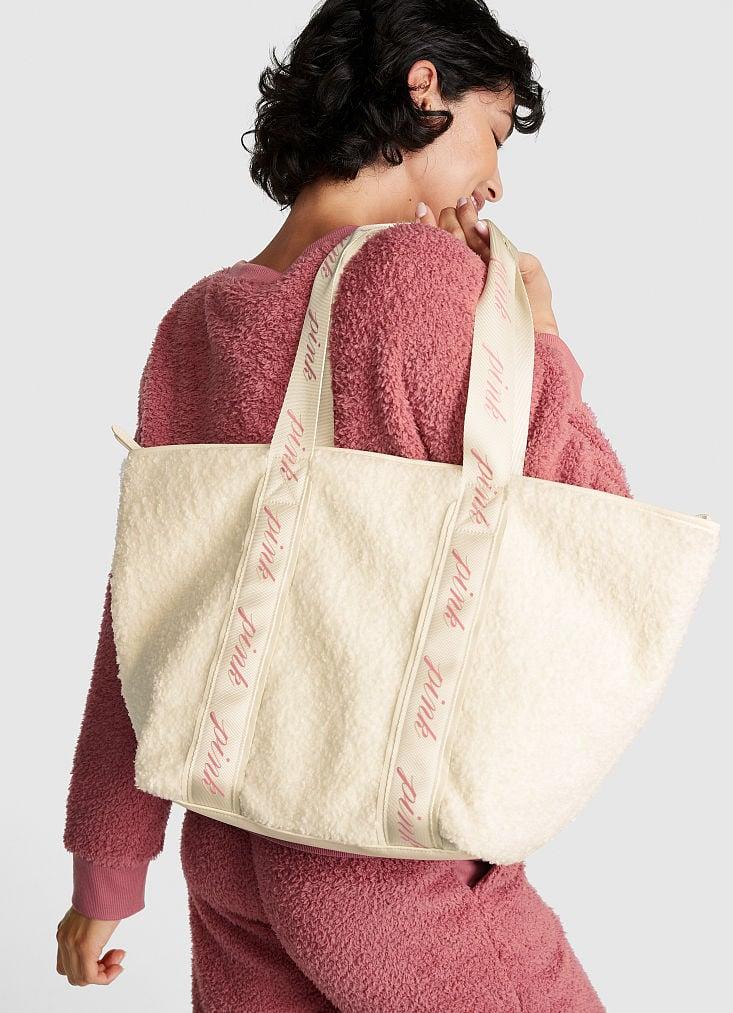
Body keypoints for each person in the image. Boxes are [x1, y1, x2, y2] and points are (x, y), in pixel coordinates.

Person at [56, 1, 631, 1009]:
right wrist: (538, 334)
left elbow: (142, 614)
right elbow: (590, 517)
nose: (496, 178)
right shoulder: (419, 279)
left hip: (230, 861)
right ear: (423, 86)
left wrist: (108, 868)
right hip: (390, 866)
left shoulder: (198, 320)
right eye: (493, 131)